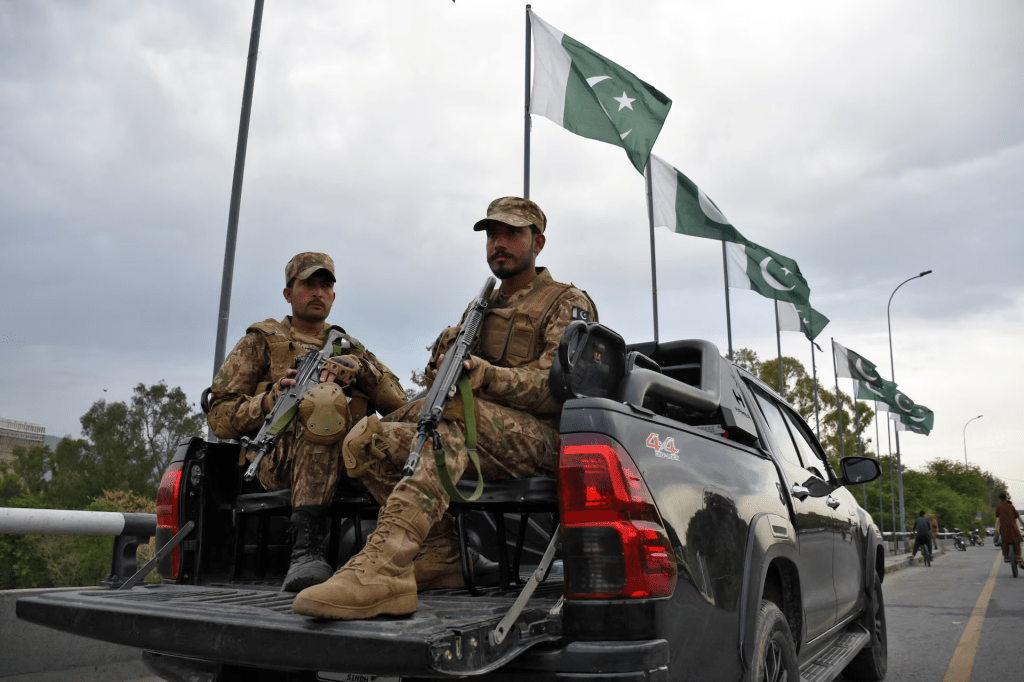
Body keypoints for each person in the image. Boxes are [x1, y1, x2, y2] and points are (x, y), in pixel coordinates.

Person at [293, 197, 598, 620]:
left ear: (538, 243)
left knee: (450, 416)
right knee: (366, 438)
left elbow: (556, 388)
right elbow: (442, 383)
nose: (499, 243)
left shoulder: (565, 302)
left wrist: (487, 376)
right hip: (473, 430)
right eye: (492, 234)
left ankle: (387, 566)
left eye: (512, 233)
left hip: (542, 439)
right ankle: (440, 557)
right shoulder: (480, 308)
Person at [207, 252, 407, 592]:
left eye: (324, 286)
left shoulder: (350, 346)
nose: (317, 292)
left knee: (415, 424)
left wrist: (358, 368)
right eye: (308, 285)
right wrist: (270, 399)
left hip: (351, 462)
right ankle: (306, 553)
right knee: (324, 406)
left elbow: (398, 403)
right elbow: (220, 418)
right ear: (289, 293)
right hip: (278, 461)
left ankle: (424, 546)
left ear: (333, 296)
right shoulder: (261, 341)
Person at [995, 493, 1023, 568]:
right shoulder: (1011, 506)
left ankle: (1006, 556)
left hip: (1004, 530)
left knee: (1004, 542)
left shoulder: (999, 507)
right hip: (1014, 529)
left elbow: (997, 515)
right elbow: (1017, 515)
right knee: (1017, 543)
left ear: (1000, 499)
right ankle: (1019, 557)